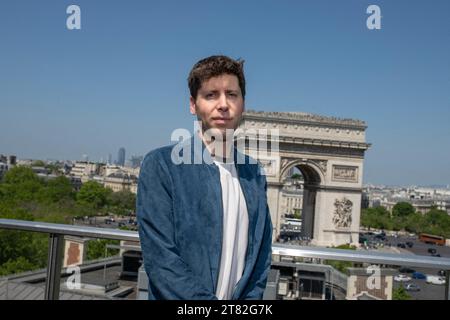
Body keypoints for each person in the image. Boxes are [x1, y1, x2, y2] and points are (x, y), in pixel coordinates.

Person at [137, 55, 273, 300]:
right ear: (193, 104)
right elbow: (162, 262)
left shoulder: (255, 174)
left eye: (232, 94)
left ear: (243, 103)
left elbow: (261, 260)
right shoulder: (161, 165)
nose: (223, 104)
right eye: (211, 95)